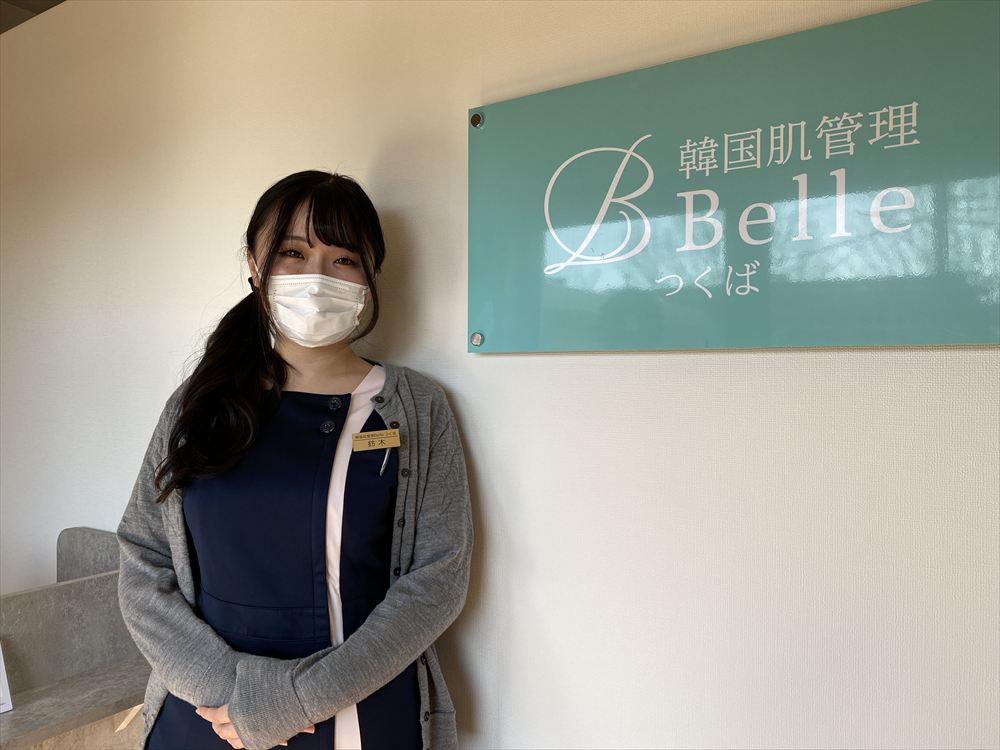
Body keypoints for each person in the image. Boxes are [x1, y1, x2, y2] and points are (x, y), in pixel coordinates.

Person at [116, 170, 473, 750]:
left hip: (362, 710)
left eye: (343, 258)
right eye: (293, 252)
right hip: (205, 715)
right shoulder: (198, 404)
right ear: (254, 266)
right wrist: (229, 693)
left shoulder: (414, 407)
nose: (317, 276)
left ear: (370, 276)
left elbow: (436, 580)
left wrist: (297, 700)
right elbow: (143, 557)